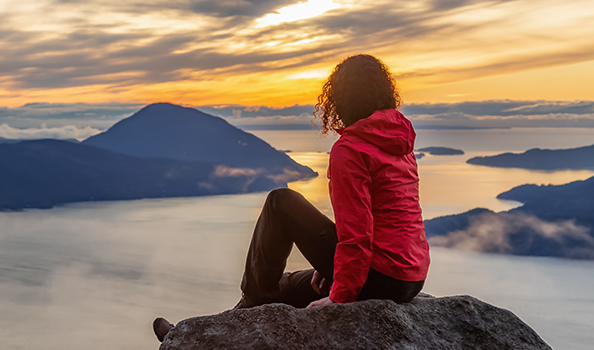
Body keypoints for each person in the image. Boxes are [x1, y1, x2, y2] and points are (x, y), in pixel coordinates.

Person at [153, 54, 430, 342]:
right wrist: (332, 269)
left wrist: (341, 296)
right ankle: (200, 334)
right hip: (410, 278)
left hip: (379, 275)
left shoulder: (350, 149)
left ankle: (231, 319)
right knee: (292, 286)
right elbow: (391, 219)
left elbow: (358, 235)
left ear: (341, 98)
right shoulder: (399, 141)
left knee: (280, 202)